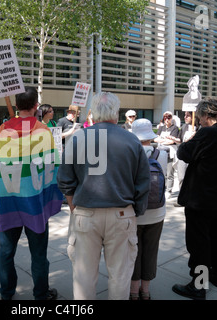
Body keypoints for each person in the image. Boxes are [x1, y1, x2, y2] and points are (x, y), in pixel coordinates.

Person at [57, 92, 151, 300]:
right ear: (116, 113)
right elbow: (143, 183)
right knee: (120, 277)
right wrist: (135, 211)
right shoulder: (131, 140)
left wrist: (74, 207)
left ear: (93, 113)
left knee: (83, 278)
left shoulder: (77, 138)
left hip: (85, 214)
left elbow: (64, 179)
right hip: (121, 214)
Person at [0, 87, 62, 300]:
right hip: (34, 202)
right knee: (39, 253)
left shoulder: (3, 128)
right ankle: (41, 294)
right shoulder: (43, 130)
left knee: (6, 251)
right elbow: (52, 167)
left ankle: (6, 293)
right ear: (35, 106)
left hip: (9, 201)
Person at [172, 97, 217, 300]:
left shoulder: (209, 132)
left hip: (200, 199)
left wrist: (189, 139)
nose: (199, 120)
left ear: (206, 114)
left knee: (199, 243)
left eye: (200, 116)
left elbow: (184, 153)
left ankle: (198, 285)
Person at [130, 119, 168, 300]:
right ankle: (146, 291)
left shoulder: (130, 154)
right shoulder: (162, 154)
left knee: (133, 252)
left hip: (135, 213)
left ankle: (133, 291)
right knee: (151, 251)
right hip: (157, 212)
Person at [174, 112, 199, 207]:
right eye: (184, 115)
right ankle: (182, 197)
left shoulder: (199, 127)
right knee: (181, 177)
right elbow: (180, 139)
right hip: (183, 155)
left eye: (187, 115)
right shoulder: (184, 127)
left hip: (192, 157)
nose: (185, 117)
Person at [154, 111, 180, 198]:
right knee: (161, 172)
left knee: (169, 173)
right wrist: (165, 141)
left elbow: (172, 141)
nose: (167, 119)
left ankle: (169, 190)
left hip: (170, 153)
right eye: (165, 117)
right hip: (160, 152)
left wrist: (162, 140)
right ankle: (162, 188)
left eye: (169, 117)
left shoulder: (175, 128)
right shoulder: (161, 128)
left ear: (171, 118)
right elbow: (155, 139)